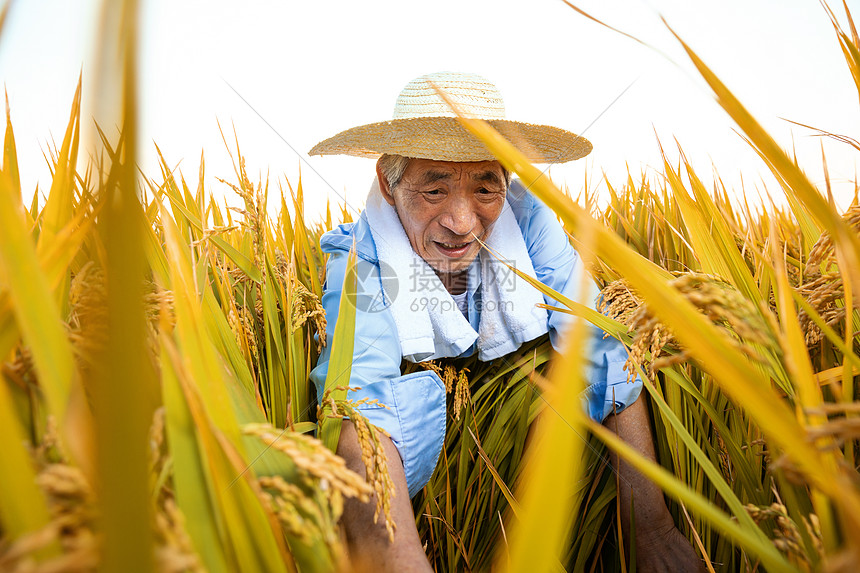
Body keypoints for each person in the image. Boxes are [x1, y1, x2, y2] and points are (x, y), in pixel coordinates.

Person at [309, 72, 704, 572]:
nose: (463, 221)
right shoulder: (360, 255)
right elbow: (358, 407)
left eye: (484, 188)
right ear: (389, 183)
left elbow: (600, 344)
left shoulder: (531, 221)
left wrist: (652, 527)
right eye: (433, 190)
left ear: (507, 179)